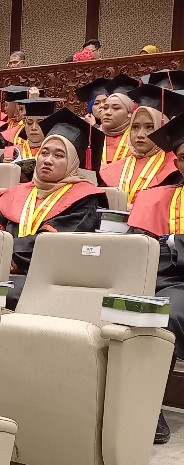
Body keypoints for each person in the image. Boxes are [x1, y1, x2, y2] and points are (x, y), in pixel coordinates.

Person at [0, 109, 107, 308]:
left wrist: (8, 257)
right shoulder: (15, 192)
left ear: (74, 163)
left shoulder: (86, 198)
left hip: (51, 280)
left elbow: (58, 245)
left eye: (59, 155)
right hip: (1, 271)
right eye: (44, 152)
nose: (48, 160)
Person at [126, 114, 184, 444]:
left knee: (165, 311)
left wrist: (172, 243)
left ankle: (148, 406)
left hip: (176, 288)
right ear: (177, 162)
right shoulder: (155, 198)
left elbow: (158, 247)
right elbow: (138, 249)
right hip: (157, 280)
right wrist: (173, 248)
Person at [99, 85, 183, 206]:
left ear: (162, 129)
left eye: (149, 127)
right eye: (135, 127)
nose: (140, 135)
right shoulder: (109, 171)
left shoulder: (176, 170)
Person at [100, 75, 141, 164]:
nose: (108, 112)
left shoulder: (138, 138)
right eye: (105, 108)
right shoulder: (92, 137)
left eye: (116, 108)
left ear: (130, 113)